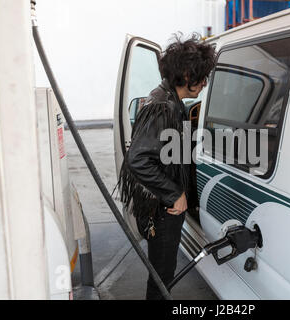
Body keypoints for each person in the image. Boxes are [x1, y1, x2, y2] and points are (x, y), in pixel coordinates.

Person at [118, 33, 215, 300]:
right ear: (186, 74)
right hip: (162, 210)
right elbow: (138, 158)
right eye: (202, 76)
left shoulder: (169, 100)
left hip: (161, 206)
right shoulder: (164, 107)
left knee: (163, 274)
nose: (205, 83)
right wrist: (175, 193)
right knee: (162, 279)